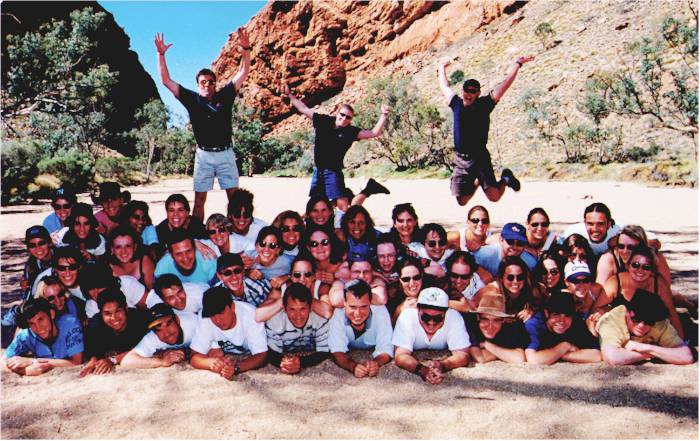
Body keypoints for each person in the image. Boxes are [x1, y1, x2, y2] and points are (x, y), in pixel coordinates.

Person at [155, 29, 251, 221]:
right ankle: (198, 236)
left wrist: (246, 48)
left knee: (234, 199)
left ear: (216, 84)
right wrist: (160, 54)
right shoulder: (192, 99)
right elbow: (166, 81)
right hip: (204, 156)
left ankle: (232, 233)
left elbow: (243, 71)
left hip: (225, 154)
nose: (207, 85)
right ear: (198, 84)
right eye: (203, 82)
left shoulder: (225, 95)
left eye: (211, 82)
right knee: (199, 200)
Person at [437, 56, 533, 206]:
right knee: (461, 201)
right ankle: (477, 180)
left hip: (480, 158)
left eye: (473, 91)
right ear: (462, 91)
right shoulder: (456, 103)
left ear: (478, 93)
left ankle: (505, 178)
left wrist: (517, 64)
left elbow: (505, 84)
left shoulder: (484, 105)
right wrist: (441, 67)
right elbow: (444, 86)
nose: (468, 94)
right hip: (461, 160)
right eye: (466, 90)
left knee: (494, 197)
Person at [283, 82, 391, 202]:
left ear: (351, 120)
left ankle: (368, 190)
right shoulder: (323, 121)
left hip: (333, 173)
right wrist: (289, 95)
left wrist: (384, 115)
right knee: (315, 205)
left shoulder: (350, 131)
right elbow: (303, 108)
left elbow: (373, 133)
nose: (344, 119)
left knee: (343, 207)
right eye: (342, 115)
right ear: (337, 113)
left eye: (348, 117)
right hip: (317, 171)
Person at [593, 246, 684, 340]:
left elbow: (672, 314)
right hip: (620, 329)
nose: (640, 270)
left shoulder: (658, 284)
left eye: (646, 267)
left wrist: (682, 342)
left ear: (652, 271)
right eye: (635, 265)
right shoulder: (616, 282)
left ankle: (688, 304)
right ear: (627, 266)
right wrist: (604, 310)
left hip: (648, 330)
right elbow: (596, 308)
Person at [393, 287, 470, 384]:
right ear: (418, 310)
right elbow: (400, 356)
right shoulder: (407, 317)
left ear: (446, 313)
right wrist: (422, 370)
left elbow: (463, 355)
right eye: (426, 317)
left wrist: (442, 365)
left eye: (437, 318)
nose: (431, 322)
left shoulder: (454, 317)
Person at [189, 286, 268, 380]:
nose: (217, 320)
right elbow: (194, 356)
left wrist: (236, 367)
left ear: (233, 307)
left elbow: (262, 356)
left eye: (221, 313)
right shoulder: (205, 318)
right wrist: (211, 363)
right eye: (212, 315)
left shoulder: (250, 314)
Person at [596, 290, 693, 366]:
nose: (641, 325)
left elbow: (686, 356)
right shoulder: (612, 319)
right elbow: (612, 358)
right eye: (636, 319)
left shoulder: (659, 322)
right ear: (627, 312)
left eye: (648, 321)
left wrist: (645, 348)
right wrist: (653, 353)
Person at [329, 279, 394, 377]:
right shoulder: (338, 313)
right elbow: (336, 350)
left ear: (371, 303)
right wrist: (352, 366)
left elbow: (386, 348)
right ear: (344, 303)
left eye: (363, 307)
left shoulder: (381, 312)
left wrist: (376, 363)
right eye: (352, 307)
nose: (357, 313)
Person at [3, 298, 83, 376]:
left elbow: (76, 362)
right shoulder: (26, 334)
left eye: (40, 319)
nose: (38, 328)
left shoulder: (70, 323)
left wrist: (32, 361)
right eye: (31, 323)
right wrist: (25, 371)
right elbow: (3, 362)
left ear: (51, 314)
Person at [81, 288, 151, 376]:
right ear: (101, 313)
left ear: (126, 308)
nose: (114, 318)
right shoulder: (95, 325)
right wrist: (93, 360)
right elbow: (92, 351)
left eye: (118, 311)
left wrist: (113, 360)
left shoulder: (141, 320)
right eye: (107, 313)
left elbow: (145, 349)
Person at [264, 283, 330, 374]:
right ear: (284, 308)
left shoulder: (320, 320)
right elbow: (271, 353)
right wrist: (283, 363)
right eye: (292, 309)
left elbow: (324, 351)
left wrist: (301, 362)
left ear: (310, 308)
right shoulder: (275, 322)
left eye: (302, 309)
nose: (298, 316)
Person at [524, 292, 601, 365]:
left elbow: (596, 355)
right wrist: (565, 346)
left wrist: (561, 355)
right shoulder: (534, 324)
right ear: (546, 313)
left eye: (567, 315)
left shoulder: (576, 322)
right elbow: (533, 359)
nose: (562, 321)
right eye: (556, 315)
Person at [121, 303, 199, 369]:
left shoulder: (195, 323)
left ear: (177, 320)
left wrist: (186, 351)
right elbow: (127, 361)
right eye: (158, 328)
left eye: (168, 324)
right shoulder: (152, 337)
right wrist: (162, 361)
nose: (166, 333)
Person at [474, 256, 540, 322]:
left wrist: (531, 310)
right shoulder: (492, 294)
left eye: (520, 277)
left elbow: (542, 302)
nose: (515, 281)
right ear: (501, 278)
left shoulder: (531, 288)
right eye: (510, 277)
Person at [467, 292, 528, 363]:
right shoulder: (472, 327)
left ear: (503, 320)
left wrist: (486, 345)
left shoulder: (510, 329)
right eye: (485, 319)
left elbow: (519, 358)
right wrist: (502, 354)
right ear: (478, 317)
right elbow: (480, 358)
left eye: (496, 320)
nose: (490, 326)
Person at [80, 262, 148, 319]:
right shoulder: (91, 306)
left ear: (108, 283)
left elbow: (151, 307)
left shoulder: (128, 284)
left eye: (100, 287)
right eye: (91, 289)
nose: (96, 293)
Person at [107, 226, 155, 290]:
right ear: (112, 249)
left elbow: (153, 293)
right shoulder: (108, 268)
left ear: (134, 247)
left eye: (128, 246)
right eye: (118, 247)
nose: (123, 251)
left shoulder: (144, 262)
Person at [21, 226, 54, 297]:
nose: (38, 248)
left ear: (49, 243)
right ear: (28, 248)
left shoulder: (62, 258)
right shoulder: (31, 266)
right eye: (32, 245)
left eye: (41, 243)